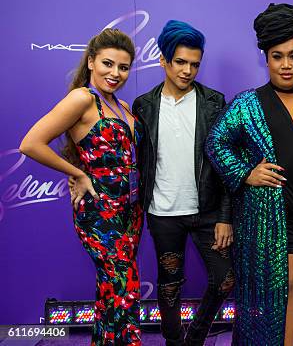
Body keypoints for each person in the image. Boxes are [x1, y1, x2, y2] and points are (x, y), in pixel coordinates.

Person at [206, 3, 293, 345]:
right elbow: (215, 143)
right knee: (287, 289)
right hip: (273, 223)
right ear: (266, 59)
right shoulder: (248, 104)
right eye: (277, 56)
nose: (286, 64)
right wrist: (246, 172)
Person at [20, 28, 143, 345]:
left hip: (130, 211)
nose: (115, 73)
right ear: (90, 62)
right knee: (122, 284)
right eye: (107, 63)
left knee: (112, 289)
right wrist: (78, 173)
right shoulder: (82, 98)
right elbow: (31, 143)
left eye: (124, 67)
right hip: (98, 211)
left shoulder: (123, 106)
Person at [132, 20, 234, 346]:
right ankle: (174, 341)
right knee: (170, 284)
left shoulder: (214, 103)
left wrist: (224, 217)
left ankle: (196, 336)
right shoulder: (144, 106)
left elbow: (227, 165)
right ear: (163, 60)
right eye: (180, 62)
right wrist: (79, 175)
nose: (188, 70)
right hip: (163, 213)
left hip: (206, 212)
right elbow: (124, 153)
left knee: (226, 280)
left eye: (194, 64)